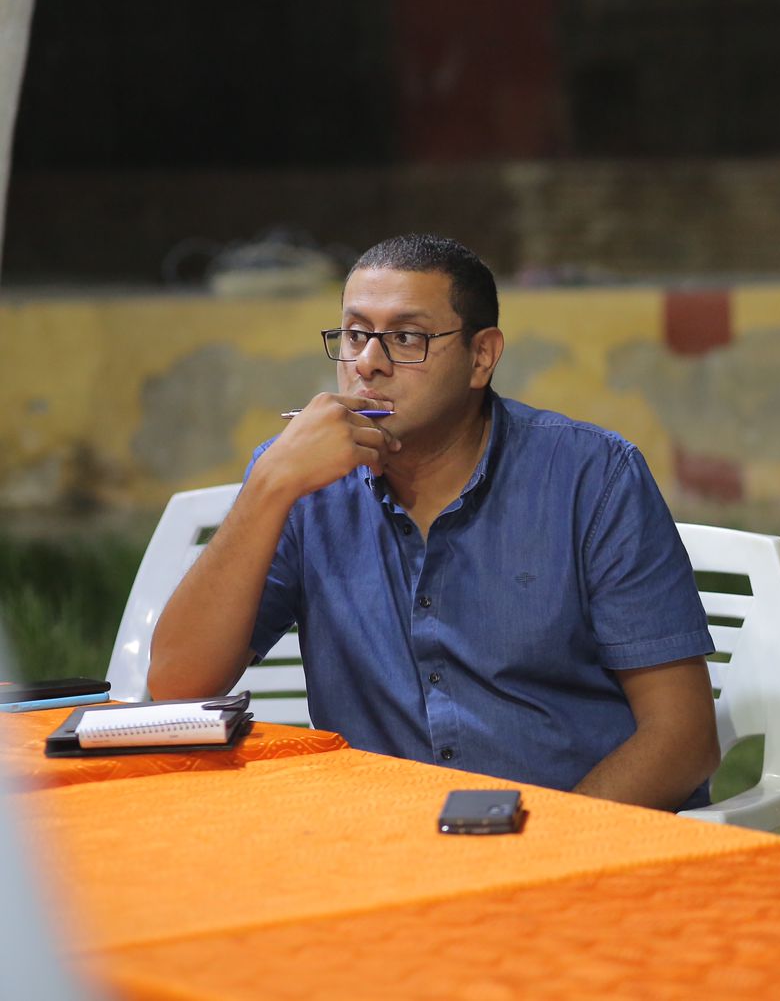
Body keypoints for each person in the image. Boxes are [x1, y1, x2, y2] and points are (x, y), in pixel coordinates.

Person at [148, 233, 720, 811]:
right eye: (355, 335)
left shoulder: (592, 476)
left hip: (573, 829)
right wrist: (269, 485)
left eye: (406, 338)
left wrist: (541, 843)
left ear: (481, 357)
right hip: (381, 833)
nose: (368, 363)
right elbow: (177, 684)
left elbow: (683, 739)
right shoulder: (301, 483)